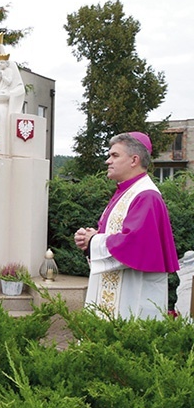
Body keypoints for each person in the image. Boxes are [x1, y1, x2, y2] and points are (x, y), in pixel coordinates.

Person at [74, 132, 179, 319]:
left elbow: (133, 242)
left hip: (133, 292)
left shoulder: (146, 195)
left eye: (114, 155)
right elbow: (117, 234)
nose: (108, 161)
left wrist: (94, 241)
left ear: (134, 160)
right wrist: (91, 239)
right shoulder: (127, 191)